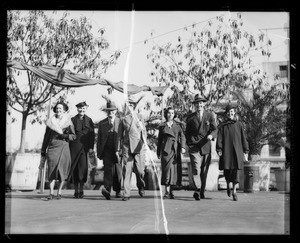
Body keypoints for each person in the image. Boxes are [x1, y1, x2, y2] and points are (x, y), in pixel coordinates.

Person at [40, 100, 76, 200]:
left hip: (64, 147)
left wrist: (66, 135)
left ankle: (59, 192)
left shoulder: (68, 122)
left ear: (64, 110)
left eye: (60, 108)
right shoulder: (50, 122)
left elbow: (74, 136)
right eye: (57, 108)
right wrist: (43, 149)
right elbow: (46, 137)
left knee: (62, 170)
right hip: (52, 147)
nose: (58, 109)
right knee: (51, 170)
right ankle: (51, 193)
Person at [185, 94, 217, 200]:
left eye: (201, 103)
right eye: (197, 103)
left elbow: (215, 129)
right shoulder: (190, 118)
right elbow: (187, 133)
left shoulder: (209, 115)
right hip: (194, 147)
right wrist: (190, 143)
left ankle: (201, 191)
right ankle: (198, 189)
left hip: (205, 146)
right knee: (196, 168)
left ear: (204, 104)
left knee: (204, 171)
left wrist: (211, 135)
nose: (199, 105)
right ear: (195, 105)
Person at [216, 104, 249, 201]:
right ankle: (228, 185)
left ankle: (234, 191)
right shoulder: (223, 126)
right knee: (227, 172)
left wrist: (246, 150)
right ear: (226, 113)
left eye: (232, 111)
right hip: (227, 152)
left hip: (237, 152)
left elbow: (243, 138)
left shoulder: (239, 125)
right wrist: (219, 149)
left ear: (234, 113)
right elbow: (220, 138)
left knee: (236, 172)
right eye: (229, 111)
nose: (230, 113)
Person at [117, 96, 147, 201]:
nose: (130, 106)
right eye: (128, 104)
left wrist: (145, 144)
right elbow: (119, 135)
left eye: (132, 104)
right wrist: (118, 149)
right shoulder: (123, 119)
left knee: (140, 170)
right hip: (127, 146)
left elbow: (144, 132)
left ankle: (141, 185)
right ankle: (126, 193)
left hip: (139, 146)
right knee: (127, 169)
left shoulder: (140, 117)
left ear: (134, 105)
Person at [157, 107, 186, 199]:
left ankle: (171, 191)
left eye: (172, 113)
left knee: (173, 170)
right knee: (166, 170)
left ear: (174, 115)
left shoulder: (178, 125)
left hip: (175, 150)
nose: (170, 115)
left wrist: (183, 147)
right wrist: (158, 152)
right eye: (169, 113)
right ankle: (166, 191)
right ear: (166, 114)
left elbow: (183, 137)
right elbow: (159, 140)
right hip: (165, 150)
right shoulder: (162, 126)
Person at [68, 101, 95, 199]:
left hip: (84, 147)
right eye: (80, 108)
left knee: (82, 168)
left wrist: (91, 147)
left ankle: (81, 190)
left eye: (83, 108)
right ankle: (75, 191)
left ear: (86, 109)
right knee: (74, 168)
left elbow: (92, 135)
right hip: (74, 147)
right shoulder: (72, 120)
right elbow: (69, 134)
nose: (82, 110)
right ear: (77, 109)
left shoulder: (89, 120)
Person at [97, 100, 122, 200]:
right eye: (108, 111)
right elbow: (98, 139)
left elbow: (123, 137)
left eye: (112, 111)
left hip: (118, 149)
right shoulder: (102, 123)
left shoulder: (120, 122)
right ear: (106, 112)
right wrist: (99, 153)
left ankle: (118, 190)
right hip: (106, 150)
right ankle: (107, 190)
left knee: (117, 170)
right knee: (107, 170)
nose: (110, 112)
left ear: (115, 111)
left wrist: (121, 150)